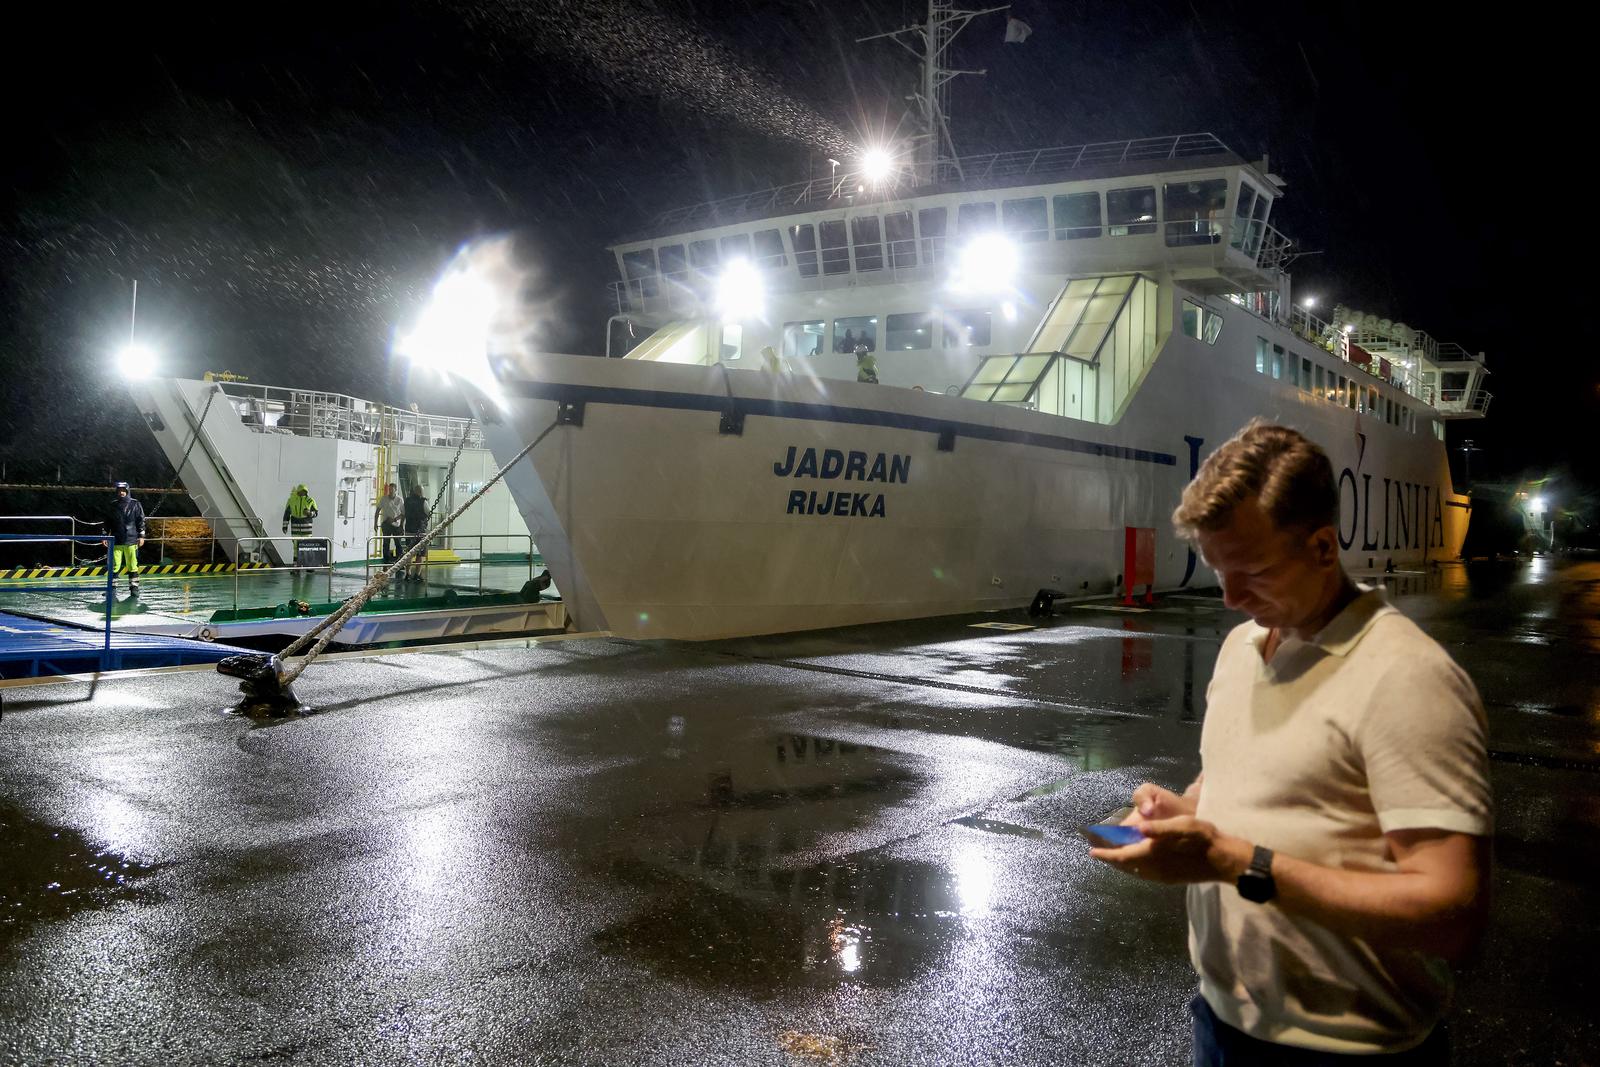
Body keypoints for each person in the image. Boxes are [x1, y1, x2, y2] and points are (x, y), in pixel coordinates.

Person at [1091, 421, 1491, 1065]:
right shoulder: (1243, 646)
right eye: (1218, 572)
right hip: (1219, 1023)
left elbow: (1453, 914)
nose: (1229, 598)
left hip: (1350, 1048)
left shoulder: (1407, 677)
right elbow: (1240, 782)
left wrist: (1234, 861)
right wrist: (1185, 809)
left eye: (1250, 572)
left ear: (1323, 547)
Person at [107, 481, 146, 595]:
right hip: (116, 539)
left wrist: (141, 536)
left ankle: (134, 588)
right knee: (114, 565)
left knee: (132, 565)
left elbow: (141, 520)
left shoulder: (135, 504)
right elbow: (107, 521)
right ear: (116, 492)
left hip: (131, 539)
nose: (121, 493)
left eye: (124, 490)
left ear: (127, 491)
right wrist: (104, 535)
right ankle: (112, 589)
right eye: (119, 491)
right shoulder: (113, 505)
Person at [281, 484, 319, 566]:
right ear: (298, 491)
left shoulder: (310, 500)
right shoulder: (291, 500)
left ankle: (309, 566)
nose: (302, 492)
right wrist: (285, 526)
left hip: (307, 529)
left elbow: (316, 513)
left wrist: (309, 513)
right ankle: (296, 566)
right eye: (301, 491)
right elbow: (287, 514)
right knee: (295, 547)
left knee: (308, 546)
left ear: (306, 492)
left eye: (304, 491)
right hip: (295, 528)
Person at [403, 482, 430, 580]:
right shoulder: (423, 501)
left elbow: (403, 513)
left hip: (409, 530)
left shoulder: (407, 501)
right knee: (420, 554)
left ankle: (407, 573)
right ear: (420, 492)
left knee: (409, 553)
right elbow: (428, 512)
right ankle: (417, 574)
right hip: (420, 531)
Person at [374, 482, 404, 563]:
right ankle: (386, 560)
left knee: (398, 543)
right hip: (386, 524)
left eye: (392, 489)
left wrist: (397, 521)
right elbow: (377, 511)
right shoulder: (384, 499)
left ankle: (399, 561)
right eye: (389, 489)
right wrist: (375, 523)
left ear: (395, 490)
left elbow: (403, 513)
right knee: (386, 543)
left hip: (396, 525)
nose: (390, 491)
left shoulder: (400, 500)